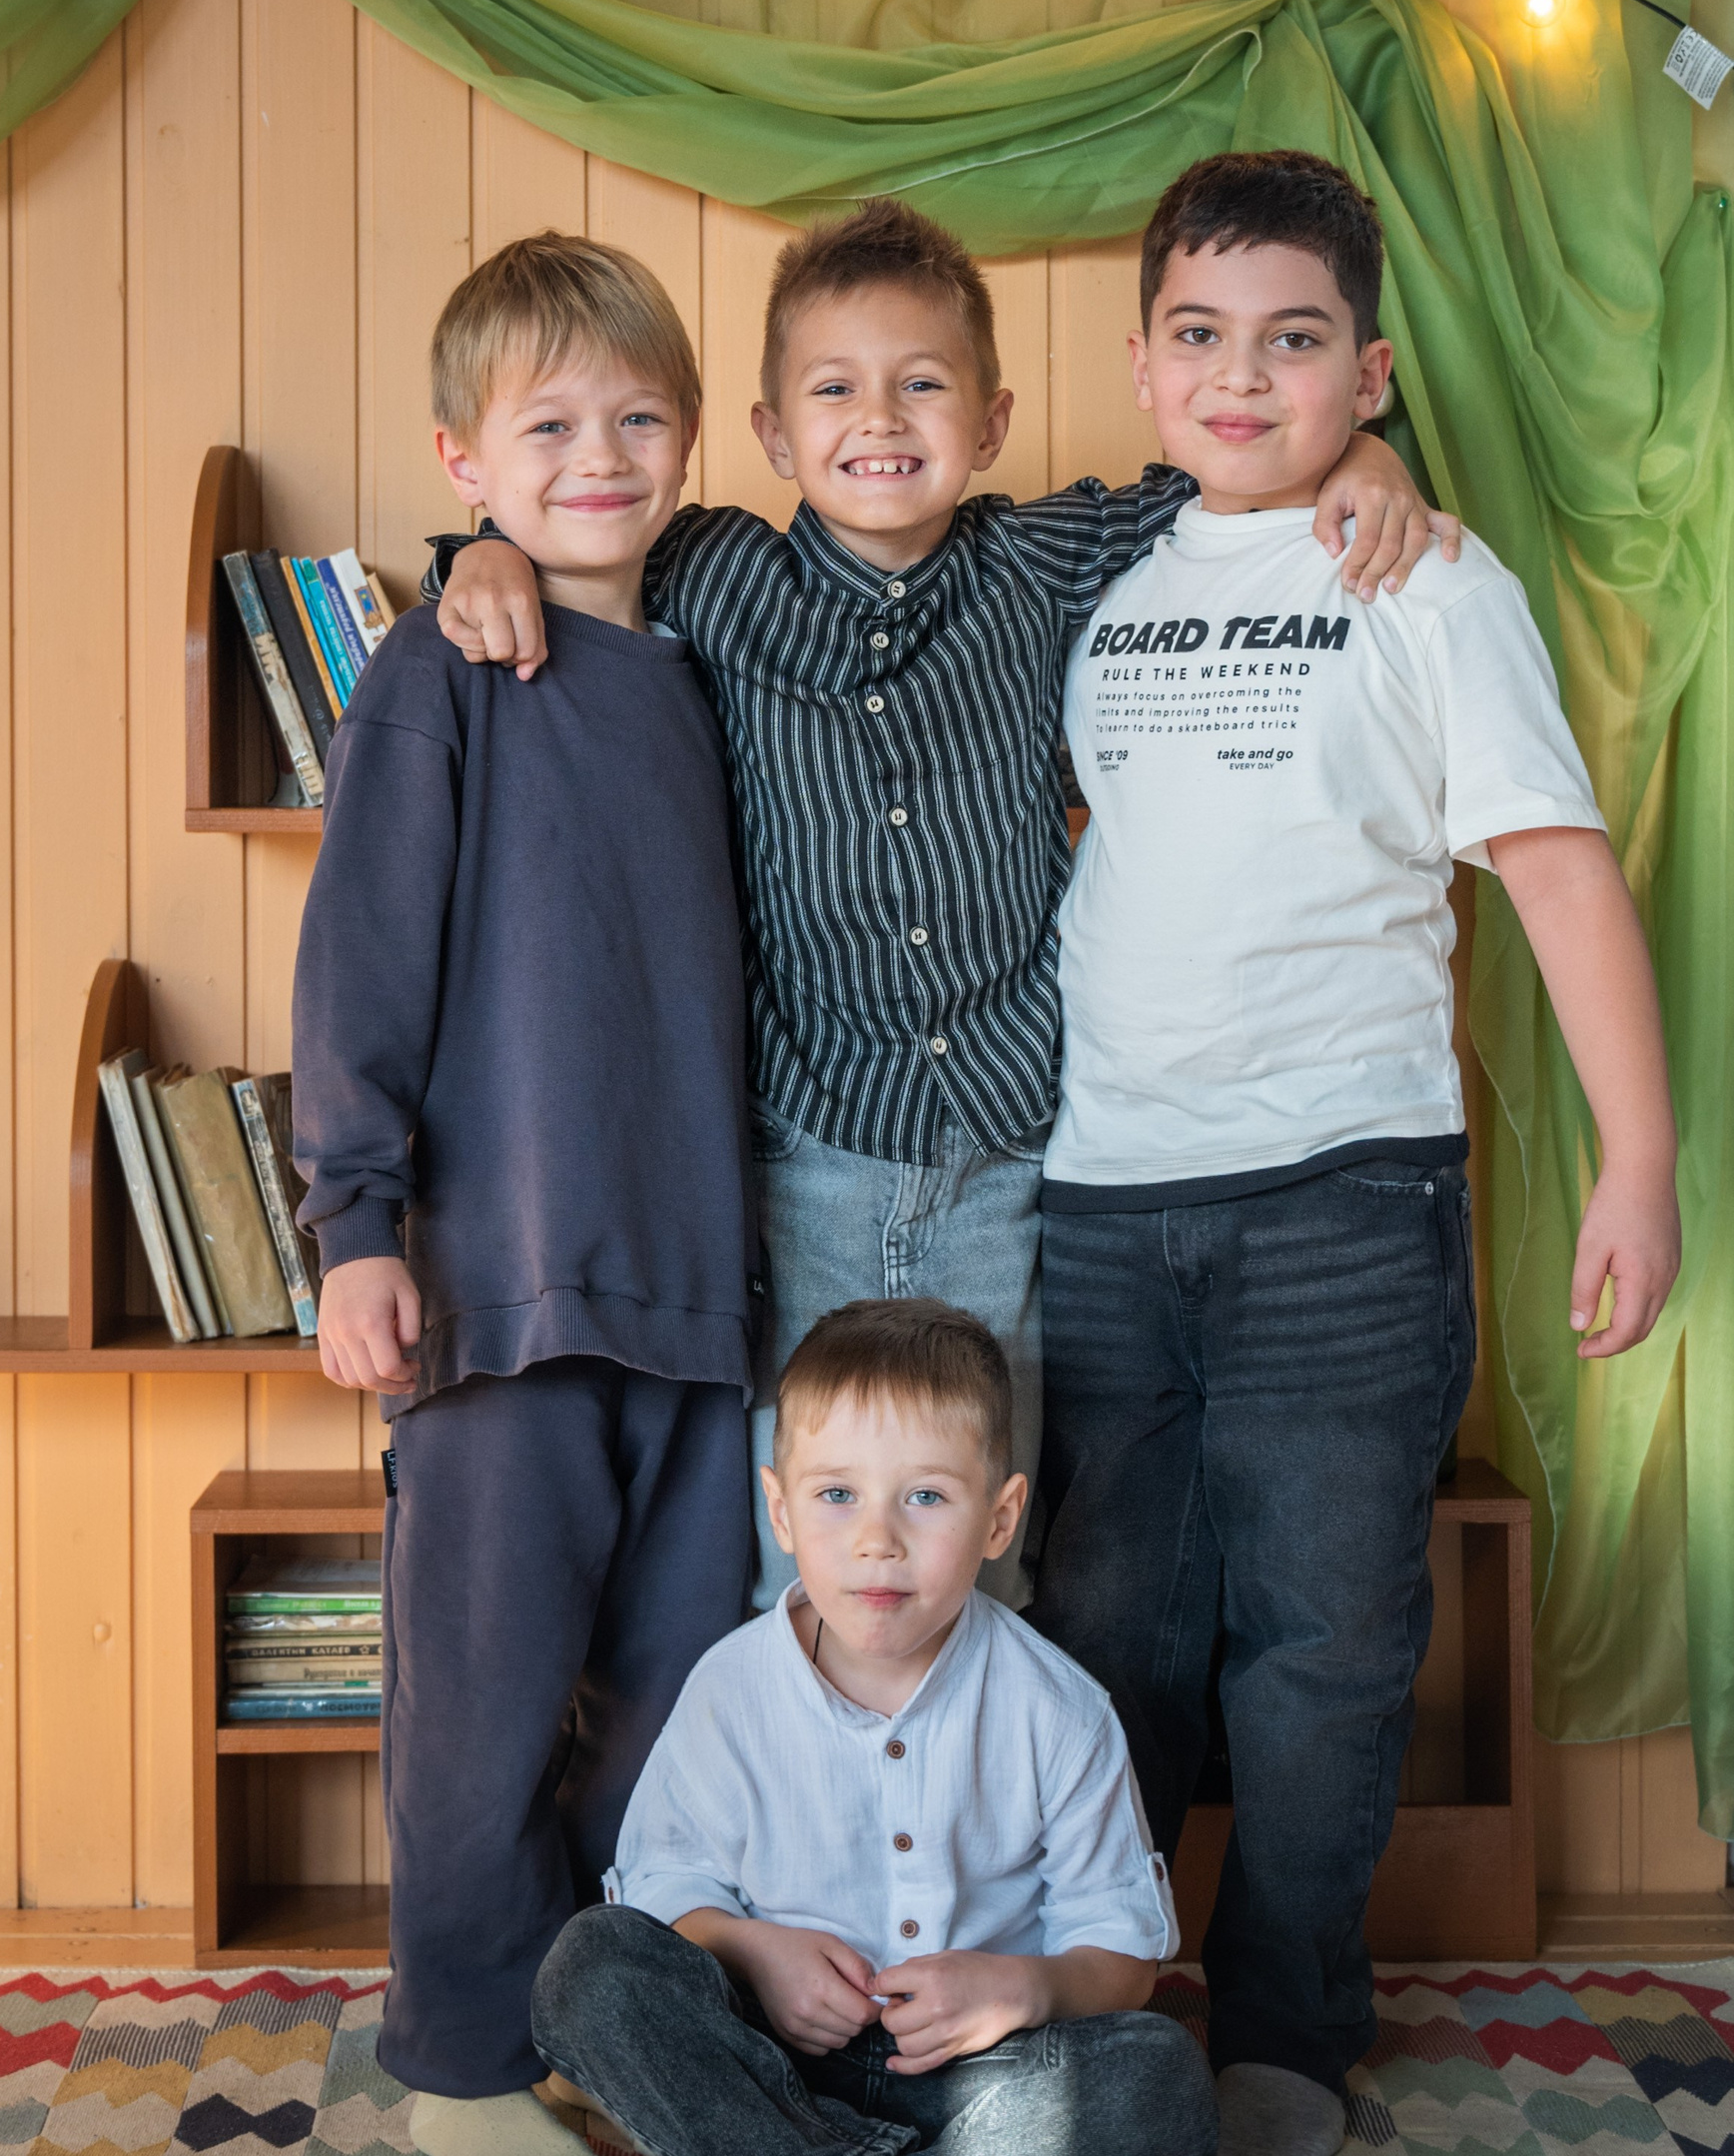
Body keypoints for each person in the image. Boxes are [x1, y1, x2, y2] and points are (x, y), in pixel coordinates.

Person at [426, 201, 1454, 1616]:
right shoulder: (713, 568)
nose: (879, 419)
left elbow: (1244, 460)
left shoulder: (1044, 559)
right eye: (834, 390)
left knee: (986, 1538)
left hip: (1008, 1159)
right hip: (807, 1156)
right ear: (771, 432)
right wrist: (477, 552)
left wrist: (1377, 458)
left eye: (922, 383)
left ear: (989, 420)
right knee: (806, 1551)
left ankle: (979, 1761)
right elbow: (564, 534)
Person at [1031, 149, 1683, 2156]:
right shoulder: (1085, 576)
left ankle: (1289, 2020)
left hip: (1345, 1197)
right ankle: (1099, 2003)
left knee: (1323, 1641)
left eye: (1295, 339)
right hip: (1100, 1203)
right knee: (1110, 1634)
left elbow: (1557, 870)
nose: (1244, 375)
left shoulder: (1430, 582)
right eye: (1203, 335)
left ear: (1368, 371)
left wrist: (1640, 1155)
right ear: (1143, 363)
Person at [291, 235, 759, 2156]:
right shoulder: (445, 666)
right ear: (461, 460)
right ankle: (464, 2048)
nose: (601, 456)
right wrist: (355, 1224)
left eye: (640, 417)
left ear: (696, 438)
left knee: (678, 1700)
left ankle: (612, 2017)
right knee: (478, 1706)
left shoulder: (711, 660)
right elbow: (362, 961)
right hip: (499, 1290)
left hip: (704, 1297)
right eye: (548, 426)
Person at [531, 1299, 1216, 2156]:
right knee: (587, 1970)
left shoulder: (1059, 1709)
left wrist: (1022, 1987)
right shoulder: (731, 1688)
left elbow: (1123, 1955)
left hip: (973, 2086)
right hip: (764, 2070)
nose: (877, 1538)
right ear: (780, 1508)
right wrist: (753, 1951)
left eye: (926, 1497)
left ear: (1000, 1517)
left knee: (1165, 2080)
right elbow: (661, 1892)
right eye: (837, 1494)